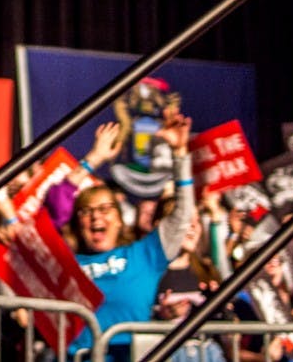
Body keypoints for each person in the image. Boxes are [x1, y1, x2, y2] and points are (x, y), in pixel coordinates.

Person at [64, 115, 195, 362]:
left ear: (119, 218)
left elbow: (181, 216)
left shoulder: (144, 255)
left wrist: (180, 153)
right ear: (77, 222)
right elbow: (51, 207)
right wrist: (94, 159)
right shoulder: (63, 261)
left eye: (105, 209)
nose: (95, 217)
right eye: (87, 211)